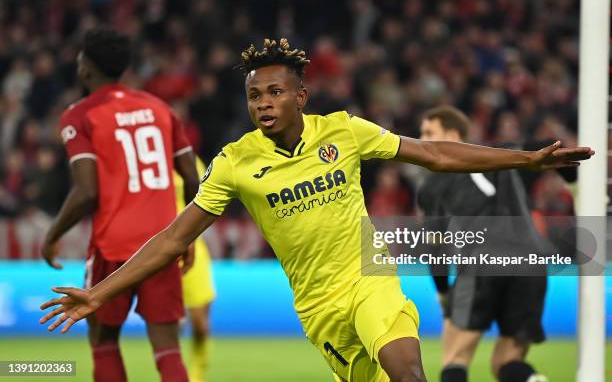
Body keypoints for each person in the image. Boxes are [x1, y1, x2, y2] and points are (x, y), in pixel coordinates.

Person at [40, 38, 593, 382]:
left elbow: (434, 154)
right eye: (255, 96)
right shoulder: (235, 163)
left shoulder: (344, 131)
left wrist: (525, 157)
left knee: (408, 370)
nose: (263, 104)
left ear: (300, 96)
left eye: (275, 93)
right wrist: (100, 291)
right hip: (318, 305)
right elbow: (171, 239)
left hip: (369, 281)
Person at [41, 29, 199, 382]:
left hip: (112, 243)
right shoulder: (160, 108)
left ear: (85, 68)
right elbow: (191, 176)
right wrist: (185, 237)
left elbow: (86, 192)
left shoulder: (79, 115)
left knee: (103, 340)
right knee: (167, 347)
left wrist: (51, 235)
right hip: (161, 243)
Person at [418, 105, 550, 382]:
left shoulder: (433, 183)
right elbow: (546, 146)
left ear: (453, 134)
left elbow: (435, 247)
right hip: (533, 263)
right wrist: (575, 185)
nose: (421, 140)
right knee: (507, 362)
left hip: (481, 262)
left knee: (455, 359)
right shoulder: (503, 153)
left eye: (429, 132)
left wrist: (442, 292)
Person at [175, 157, 216, 382]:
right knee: (172, 325)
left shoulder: (190, 160)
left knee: (200, 325)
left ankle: (198, 375)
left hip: (192, 247)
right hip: (159, 249)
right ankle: (176, 374)